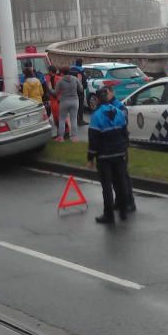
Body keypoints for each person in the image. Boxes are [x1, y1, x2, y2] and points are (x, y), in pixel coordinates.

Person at [87, 86, 131, 224]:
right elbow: (125, 133)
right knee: (121, 181)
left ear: (98, 100)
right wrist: (124, 149)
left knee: (107, 186)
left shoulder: (96, 116)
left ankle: (109, 215)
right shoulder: (118, 112)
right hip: (119, 153)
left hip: (104, 157)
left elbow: (93, 140)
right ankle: (123, 211)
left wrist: (90, 158)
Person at [55, 66, 83, 142]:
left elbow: (55, 92)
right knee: (73, 119)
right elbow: (81, 89)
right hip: (74, 100)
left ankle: (61, 137)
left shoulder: (60, 81)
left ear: (62, 73)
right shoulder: (75, 79)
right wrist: (80, 81)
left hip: (64, 101)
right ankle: (74, 137)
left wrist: (49, 87)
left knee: (62, 119)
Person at [73, 59, 87, 126]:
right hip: (79, 90)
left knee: (75, 106)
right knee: (80, 106)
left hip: (72, 90)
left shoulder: (71, 69)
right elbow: (83, 80)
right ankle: (80, 121)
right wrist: (84, 86)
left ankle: (76, 119)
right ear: (81, 63)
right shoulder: (81, 70)